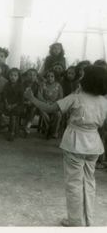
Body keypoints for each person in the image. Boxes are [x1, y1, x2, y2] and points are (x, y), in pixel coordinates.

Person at [24, 65, 107, 226]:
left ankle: (75, 221)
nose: (80, 79)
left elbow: (50, 108)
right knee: (89, 182)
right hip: (94, 143)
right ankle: (88, 220)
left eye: (82, 77)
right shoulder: (104, 101)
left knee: (74, 183)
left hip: (75, 142)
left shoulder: (75, 98)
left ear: (86, 81)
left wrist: (31, 98)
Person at [38, 70, 63, 139]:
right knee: (43, 112)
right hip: (44, 104)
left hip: (55, 105)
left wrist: (54, 103)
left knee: (58, 115)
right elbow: (39, 95)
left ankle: (54, 132)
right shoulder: (42, 84)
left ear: (55, 77)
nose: (50, 78)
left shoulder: (58, 86)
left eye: (52, 76)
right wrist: (45, 102)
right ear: (46, 77)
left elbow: (61, 97)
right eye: (48, 76)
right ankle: (49, 128)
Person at [1, 68, 24, 141]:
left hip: (17, 104)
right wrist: (7, 104)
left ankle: (12, 132)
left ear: (18, 77)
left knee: (13, 113)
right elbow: (4, 96)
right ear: (8, 76)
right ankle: (1, 125)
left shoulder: (20, 86)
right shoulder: (7, 84)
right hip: (7, 103)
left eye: (15, 75)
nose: (13, 77)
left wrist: (13, 105)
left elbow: (21, 99)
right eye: (11, 75)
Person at [22, 68, 40, 135]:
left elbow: (37, 96)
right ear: (26, 76)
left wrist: (31, 102)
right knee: (24, 109)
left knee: (33, 109)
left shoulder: (37, 86)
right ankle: (23, 124)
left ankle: (28, 125)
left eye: (34, 75)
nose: (32, 77)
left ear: (36, 77)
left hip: (33, 103)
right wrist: (25, 101)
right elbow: (20, 94)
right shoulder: (23, 84)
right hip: (23, 102)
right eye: (30, 75)